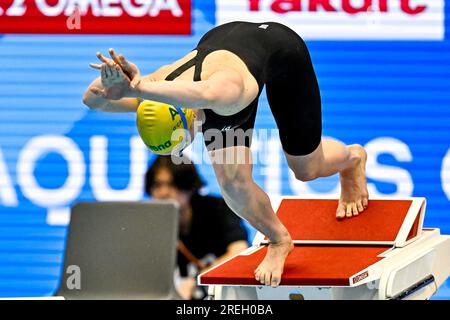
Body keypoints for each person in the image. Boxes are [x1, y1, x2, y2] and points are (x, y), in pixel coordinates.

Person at [83, 21, 369, 288]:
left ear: (188, 119)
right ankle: (281, 240)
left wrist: (139, 87)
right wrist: (114, 88)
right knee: (232, 184)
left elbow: (209, 92)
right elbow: (92, 100)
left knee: (307, 168)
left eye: (181, 142)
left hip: (282, 54)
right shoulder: (157, 90)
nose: (185, 148)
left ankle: (353, 159)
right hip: (217, 61)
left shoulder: (226, 93)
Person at [144, 155, 248, 299]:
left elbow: (239, 251)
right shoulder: (145, 225)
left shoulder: (217, 209)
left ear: (189, 186)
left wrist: (197, 281)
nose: (164, 192)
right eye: (157, 185)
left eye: (173, 184)